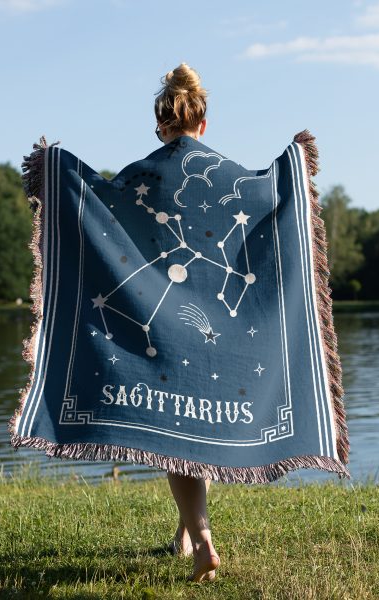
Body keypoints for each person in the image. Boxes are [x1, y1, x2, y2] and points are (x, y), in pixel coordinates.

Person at [154, 62, 220, 583]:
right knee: (197, 424)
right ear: (202, 123)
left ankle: (202, 540)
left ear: (162, 126)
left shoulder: (144, 174)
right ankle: (184, 533)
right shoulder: (227, 175)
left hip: (164, 320)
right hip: (215, 319)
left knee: (174, 434)